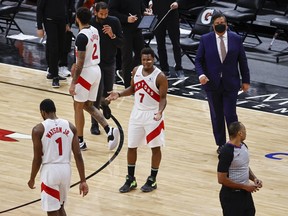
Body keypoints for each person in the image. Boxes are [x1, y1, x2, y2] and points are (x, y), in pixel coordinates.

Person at [106, 47, 168, 193]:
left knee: (155, 147)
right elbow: (133, 89)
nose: (146, 62)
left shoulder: (160, 77)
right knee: (131, 146)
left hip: (153, 115)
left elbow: (163, 98)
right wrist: (119, 94)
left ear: (154, 59)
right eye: (144, 59)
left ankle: (152, 179)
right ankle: (130, 179)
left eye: (149, 59)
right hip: (137, 113)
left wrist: (160, 112)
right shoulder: (136, 71)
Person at [194, 12, 250, 154]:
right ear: (213, 25)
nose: (220, 25)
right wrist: (201, 74)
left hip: (231, 83)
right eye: (217, 23)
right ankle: (221, 144)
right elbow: (198, 60)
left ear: (227, 24)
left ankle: (235, 142)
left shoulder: (236, 39)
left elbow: (242, 61)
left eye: (222, 23)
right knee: (216, 115)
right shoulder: (205, 39)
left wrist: (246, 80)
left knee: (231, 114)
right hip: (212, 84)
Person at [69, 7, 119, 151]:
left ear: (77, 18)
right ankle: (109, 130)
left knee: (78, 107)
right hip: (96, 70)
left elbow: (80, 63)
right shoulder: (94, 30)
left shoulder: (81, 36)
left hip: (85, 72)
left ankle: (80, 142)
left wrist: (73, 83)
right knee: (88, 105)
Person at [28, 99, 89, 216]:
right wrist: (83, 180)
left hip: (50, 171)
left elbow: (37, 158)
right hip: (66, 170)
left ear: (43, 112)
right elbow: (78, 155)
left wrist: (32, 178)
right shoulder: (70, 126)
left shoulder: (38, 129)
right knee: (60, 207)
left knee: (52, 210)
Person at [90, 1, 124, 135]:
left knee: (107, 93)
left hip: (110, 62)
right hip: (95, 64)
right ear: (96, 13)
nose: (104, 16)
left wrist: (112, 35)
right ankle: (94, 125)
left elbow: (121, 43)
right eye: (101, 14)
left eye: (106, 14)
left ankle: (105, 104)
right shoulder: (91, 23)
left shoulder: (114, 22)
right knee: (96, 95)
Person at [217, 121, 263, 216]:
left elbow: (244, 166)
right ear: (240, 133)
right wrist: (245, 186)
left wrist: (254, 178)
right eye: (244, 130)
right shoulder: (227, 151)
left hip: (245, 194)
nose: (246, 132)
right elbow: (221, 179)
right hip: (231, 196)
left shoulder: (244, 146)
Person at [109, 0, 149, 88]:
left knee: (142, 54)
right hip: (124, 29)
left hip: (137, 28)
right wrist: (126, 18)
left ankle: (124, 71)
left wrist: (144, 11)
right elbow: (111, 12)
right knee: (127, 57)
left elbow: (139, 5)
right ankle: (127, 86)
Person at [37, 0, 72, 88]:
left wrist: (67, 22)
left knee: (61, 47)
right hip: (49, 21)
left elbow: (64, 7)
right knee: (54, 48)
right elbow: (39, 9)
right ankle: (55, 77)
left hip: (61, 21)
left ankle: (53, 72)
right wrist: (39, 27)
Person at [149, 0, 184, 78]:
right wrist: (149, 3)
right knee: (160, 43)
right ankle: (164, 68)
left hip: (172, 14)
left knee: (176, 43)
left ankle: (179, 68)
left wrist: (178, 3)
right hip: (158, 15)